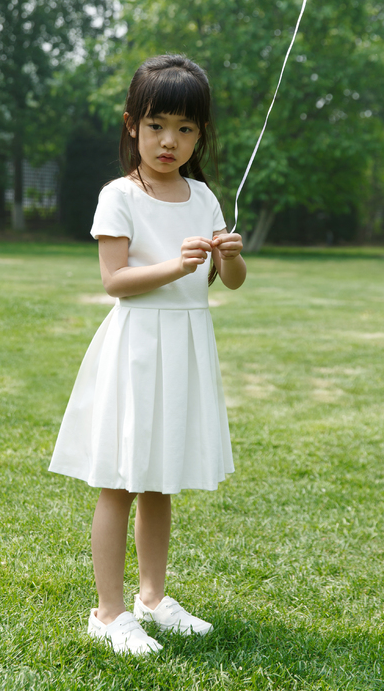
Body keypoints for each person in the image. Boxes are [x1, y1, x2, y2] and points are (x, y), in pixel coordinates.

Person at [49, 53, 246, 655]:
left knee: (161, 481)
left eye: (186, 129)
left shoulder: (203, 197)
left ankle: (153, 598)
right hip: (137, 347)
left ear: (200, 136)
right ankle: (109, 614)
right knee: (121, 481)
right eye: (158, 125)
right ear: (133, 123)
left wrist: (229, 255)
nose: (170, 140)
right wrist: (173, 264)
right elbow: (115, 281)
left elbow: (226, 283)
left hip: (185, 345)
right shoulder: (120, 196)